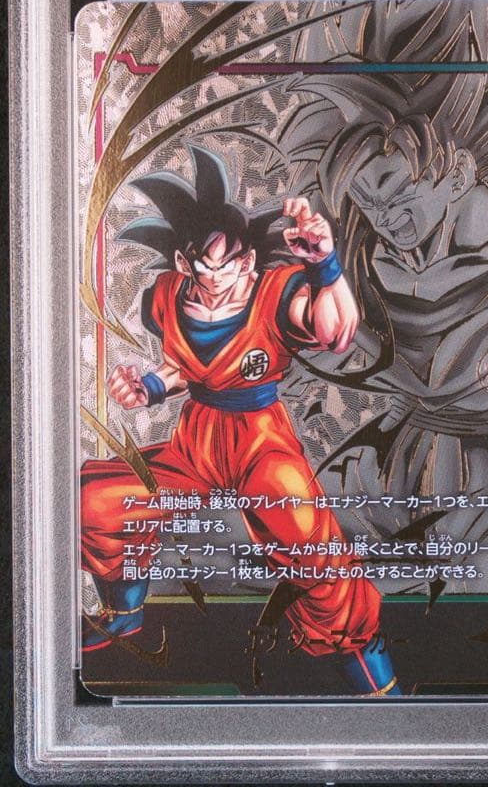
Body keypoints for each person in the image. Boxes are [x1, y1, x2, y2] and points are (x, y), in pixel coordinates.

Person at [80, 143, 401, 697]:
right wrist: (146, 387)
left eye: (228, 263)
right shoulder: (167, 296)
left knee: (312, 545)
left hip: (261, 442)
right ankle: (124, 613)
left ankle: (373, 675)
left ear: (248, 261)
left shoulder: (274, 293)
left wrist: (324, 264)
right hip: (195, 443)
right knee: (97, 500)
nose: (216, 275)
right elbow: (183, 369)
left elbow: (334, 332)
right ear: (184, 262)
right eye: (203, 264)